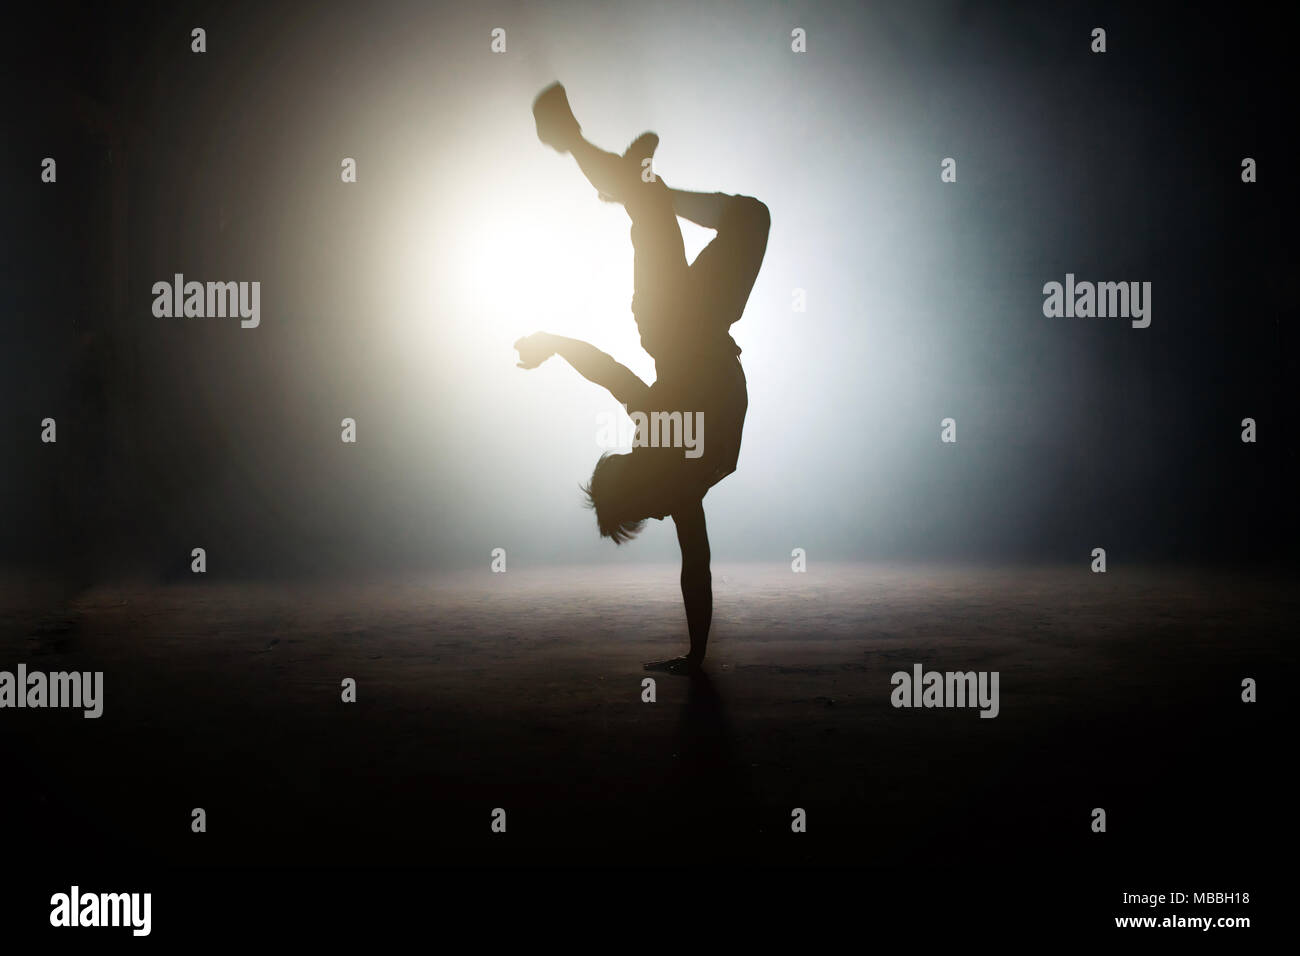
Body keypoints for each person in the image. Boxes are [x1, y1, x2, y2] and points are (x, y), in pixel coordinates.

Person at [515, 83, 769, 674]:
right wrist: (697, 654)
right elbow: (695, 569)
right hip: (704, 319)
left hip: (672, 322)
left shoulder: (661, 442)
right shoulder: (678, 488)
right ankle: (633, 182)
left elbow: (609, 372)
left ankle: (576, 144)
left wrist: (554, 343)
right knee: (738, 214)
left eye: (642, 511)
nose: (655, 517)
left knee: (648, 203)